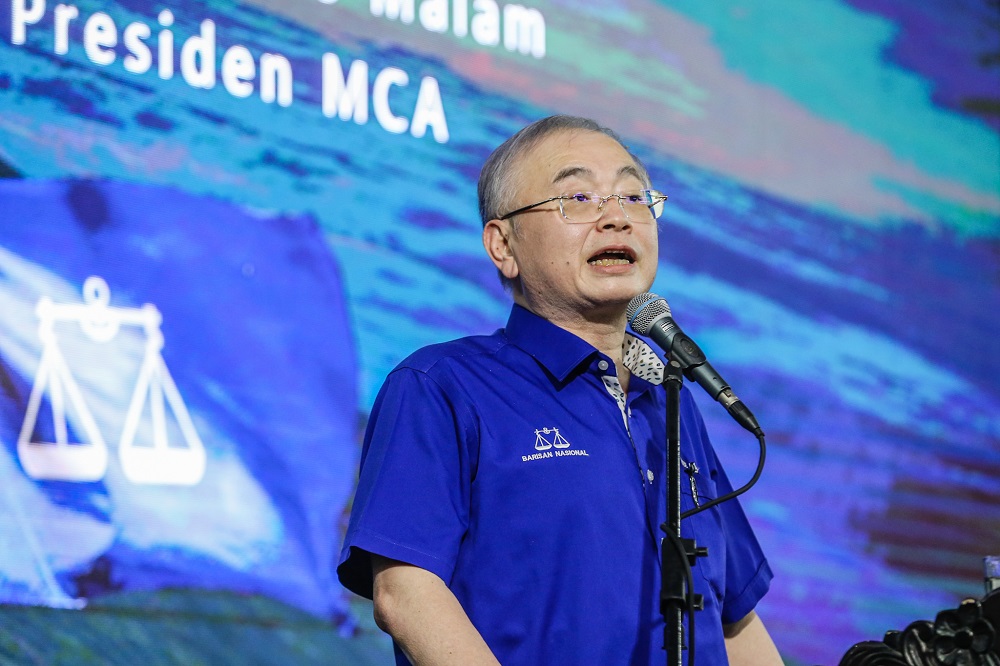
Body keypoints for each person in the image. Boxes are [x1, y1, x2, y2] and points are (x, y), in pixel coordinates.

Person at [337, 115, 782, 665]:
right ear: (503, 245)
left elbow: (735, 619)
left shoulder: (670, 398)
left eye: (633, 196)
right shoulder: (444, 386)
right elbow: (406, 593)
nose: (616, 217)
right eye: (578, 197)